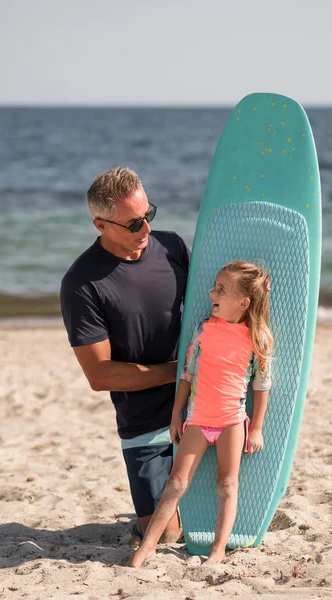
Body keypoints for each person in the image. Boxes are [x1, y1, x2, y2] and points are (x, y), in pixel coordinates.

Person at [60, 167, 190, 543]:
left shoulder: (173, 247)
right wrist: (178, 372)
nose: (146, 230)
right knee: (163, 535)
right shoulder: (82, 284)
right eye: (134, 224)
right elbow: (100, 375)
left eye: (149, 215)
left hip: (200, 407)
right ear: (101, 225)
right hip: (144, 421)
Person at [129, 260, 273, 568]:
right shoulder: (203, 329)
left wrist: (257, 428)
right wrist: (175, 415)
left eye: (221, 289)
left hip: (232, 421)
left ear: (243, 302)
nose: (211, 293)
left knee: (227, 485)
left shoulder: (256, 338)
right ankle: (147, 547)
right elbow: (187, 375)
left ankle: (218, 549)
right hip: (197, 419)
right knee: (176, 484)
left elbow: (262, 386)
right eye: (214, 287)